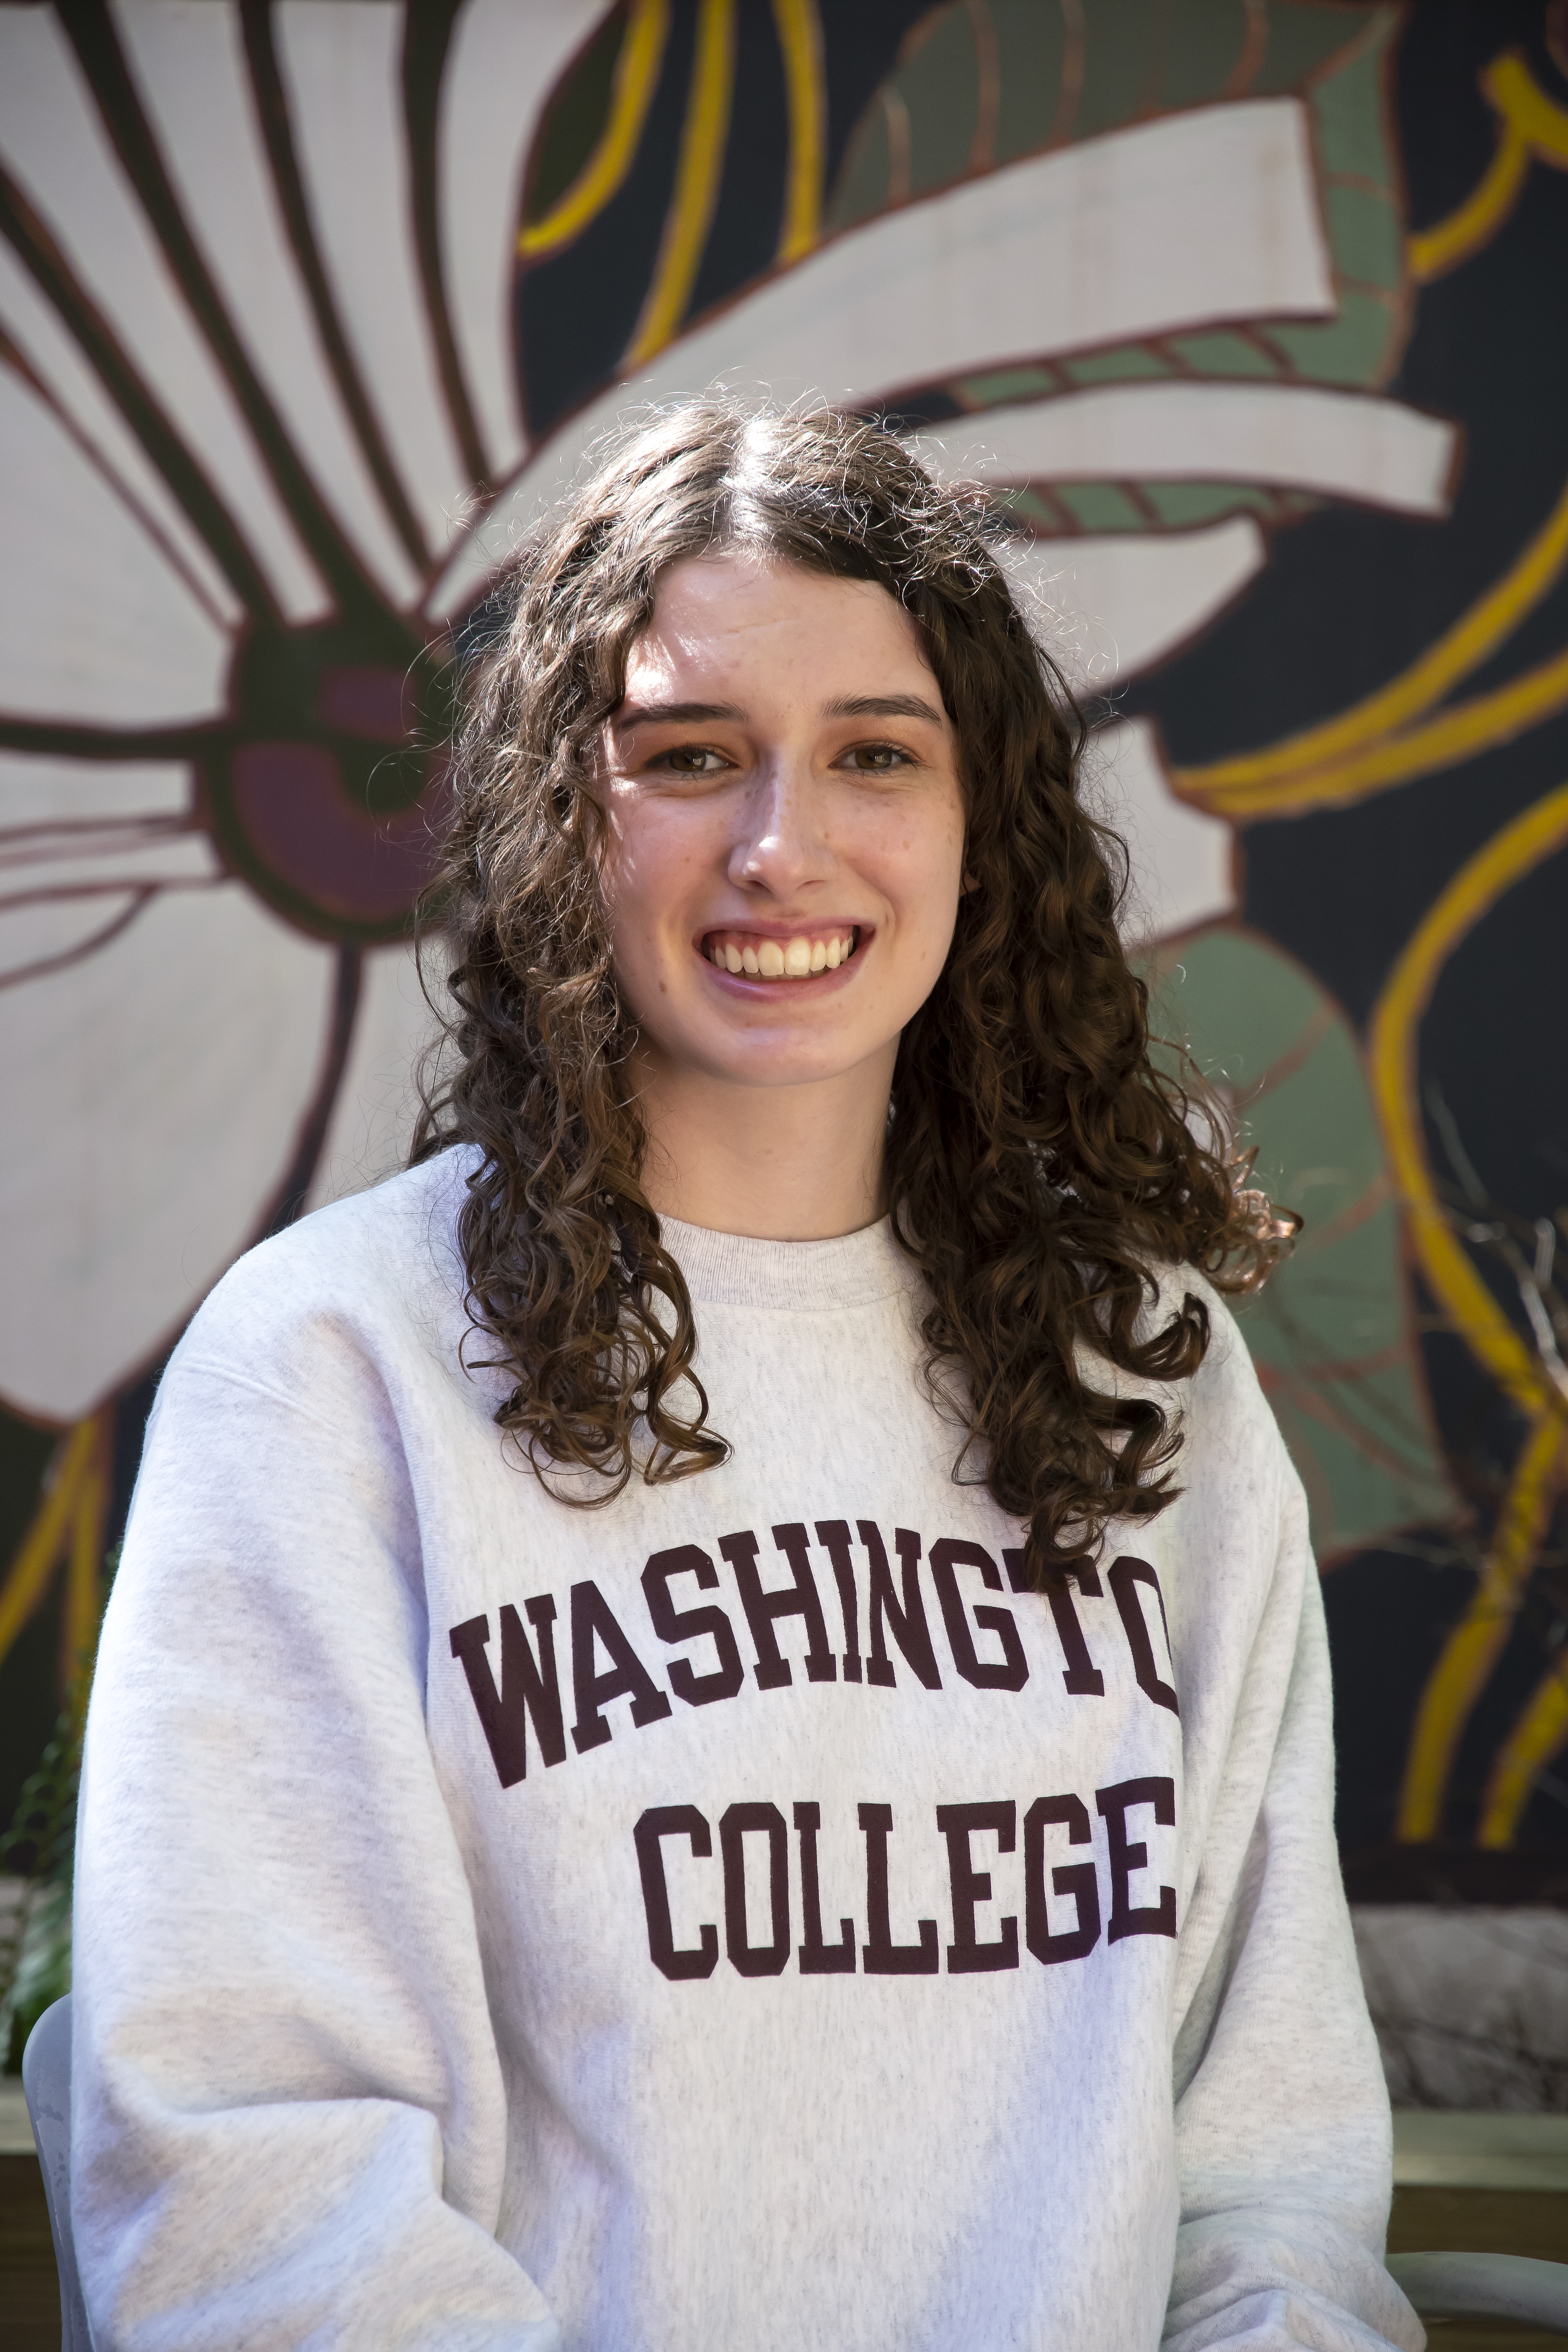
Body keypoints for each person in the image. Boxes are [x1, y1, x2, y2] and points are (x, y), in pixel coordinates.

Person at [71, 400, 1422, 2352]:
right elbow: (253, 2181)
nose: (781, 849)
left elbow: (1267, 2167)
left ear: (984, 828)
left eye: (876, 753)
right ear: (567, 820)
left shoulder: (1148, 1382)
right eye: (689, 758)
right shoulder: (333, 1372)